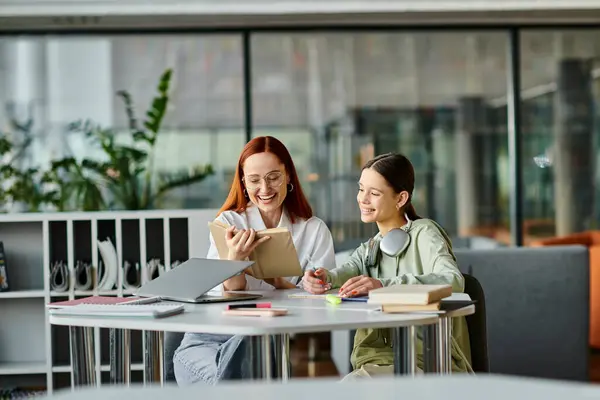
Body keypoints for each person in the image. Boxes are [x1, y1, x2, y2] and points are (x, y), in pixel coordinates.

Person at [173, 136, 337, 385]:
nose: (265, 188)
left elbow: (321, 303)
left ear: (289, 176)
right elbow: (226, 294)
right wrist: (235, 261)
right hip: (211, 336)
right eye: (254, 180)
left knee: (234, 378)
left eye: (273, 177)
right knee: (232, 378)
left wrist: (308, 284)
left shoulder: (313, 230)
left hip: (263, 339)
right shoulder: (228, 223)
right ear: (243, 182)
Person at [303, 152, 473, 379]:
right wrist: (322, 278)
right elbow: (344, 273)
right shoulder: (370, 247)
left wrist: (383, 285)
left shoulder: (425, 233)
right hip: (380, 359)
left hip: (428, 360)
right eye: (361, 189)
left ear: (400, 199)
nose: (363, 199)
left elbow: (453, 280)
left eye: (374, 193)